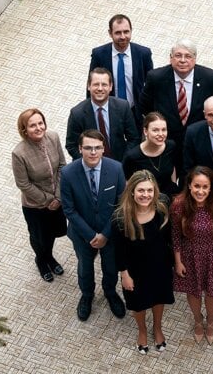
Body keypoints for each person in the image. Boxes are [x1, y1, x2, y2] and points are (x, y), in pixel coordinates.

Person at [60, 129, 126, 321]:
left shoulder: (116, 169)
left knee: (111, 267)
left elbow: (121, 205)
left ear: (103, 149)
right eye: (88, 148)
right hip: (82, 234)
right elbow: (69, 209)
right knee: (85, 268)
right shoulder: (68, 173)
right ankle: (87, 296)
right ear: (80, 149)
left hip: (110, 232)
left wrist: (105, 234)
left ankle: (110, 293)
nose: (93, 152)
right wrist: (91, 235)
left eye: (97, 148)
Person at [139, 39, 213, 171]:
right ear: (171, 58)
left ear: (195, 59)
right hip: (166, 143)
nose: (183, 60)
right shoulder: (156, 78)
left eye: (188, 56)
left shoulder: (211, 78)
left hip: (200, 142)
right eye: (178, 55)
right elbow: (144, 107)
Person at [112, 170, 175, 355]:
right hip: (134, 270)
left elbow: (170, 238)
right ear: (132, 191)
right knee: (138, 303)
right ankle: (142, 330)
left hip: (160, 266)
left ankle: (157, 328)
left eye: (150, 190)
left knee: (158, 298)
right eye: (141, 190)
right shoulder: (120, 218)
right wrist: (124, 274)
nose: (145, 195)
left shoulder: (162, 208)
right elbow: (118, 251)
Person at [171, 166, 213, 345]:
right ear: (189, 185)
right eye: (197, 186)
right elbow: (175, 236)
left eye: (205, 187)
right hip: (189, 255)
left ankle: (210, 321)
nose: (200, 191)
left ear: (211, 187)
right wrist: (178, 261)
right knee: (193, 292)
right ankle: (198, 320)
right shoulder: (178, 205)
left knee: (212, 292)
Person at [12, 108, 67, 282]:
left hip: (57, 200)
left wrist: (58, 197)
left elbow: (62, 166)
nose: (38, 128)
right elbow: (23, 184)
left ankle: (49, 256)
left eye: (40, 123)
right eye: (32, 125)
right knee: (38, 236)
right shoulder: (19, 153)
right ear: (24, 130)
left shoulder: (53, 137)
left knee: (52, 233)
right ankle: (41, 260)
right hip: (35, 205)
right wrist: (48, 200)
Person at [88, 14, 153, 130]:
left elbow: (151, 85)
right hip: (109, 111)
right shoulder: (99, 54)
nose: (123, 36)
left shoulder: (143, 54)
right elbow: (91, 85)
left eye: (126, 32)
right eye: (118, 33)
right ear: (110, 33)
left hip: (135, 112)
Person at [66, 67, 140, 162]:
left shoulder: (123, 107)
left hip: (120, 163)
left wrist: (125, 160)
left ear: (111, 87)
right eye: (96, 84)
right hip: (90, 165)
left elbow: (133, 138)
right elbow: (71, 145)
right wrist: (89, 162)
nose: (100, 88)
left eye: (104, 85)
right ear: (89, 86)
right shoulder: (77, 113)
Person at [122, 112, 179, 197]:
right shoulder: (132, 156)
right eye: (155, 130)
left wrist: (174, 185)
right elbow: (127, 183)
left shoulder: (171, 146)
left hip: (169, 198)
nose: (160, 134)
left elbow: (172, 167)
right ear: (145, 131)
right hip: (146, 200)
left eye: (163, 129)